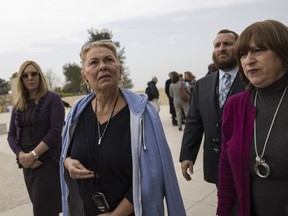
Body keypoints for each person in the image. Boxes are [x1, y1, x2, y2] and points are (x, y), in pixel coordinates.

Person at [60, 40, 186, 216]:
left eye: (109, 60)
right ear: (85, 76)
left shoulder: (142, 115)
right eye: (94, 62)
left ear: (119, 69)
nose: (103, 66)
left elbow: (151, 174)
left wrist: (116, 214)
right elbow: (66, 152)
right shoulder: (77, 114)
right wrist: (67, 162)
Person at [217, 20, 288, 216]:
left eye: (258, 50)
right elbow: (226, 168)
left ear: (283, 52)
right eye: (243, 54)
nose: (249, 60)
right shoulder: (235, 105)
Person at [179, 29, 245, 186]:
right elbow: (194, 121)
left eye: (227, 44)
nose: (221, 48)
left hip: (245, 161)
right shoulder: (203, 84)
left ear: (239, 47)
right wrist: (187, 154)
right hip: (216, 161)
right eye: (217, 45)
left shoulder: (251, 80)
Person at [7, 60, 64, 216]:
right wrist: (22, 156)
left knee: (42, 211)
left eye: (34, 74)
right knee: (44, 209)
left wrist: (33, 155)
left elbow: (55, 131)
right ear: (21, 80)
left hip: (47, 162)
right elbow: (11, 135)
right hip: (27, 165)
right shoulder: (19, 104)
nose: (29, 78)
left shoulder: (53, 99)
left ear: (40, 76)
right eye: (25, 75)